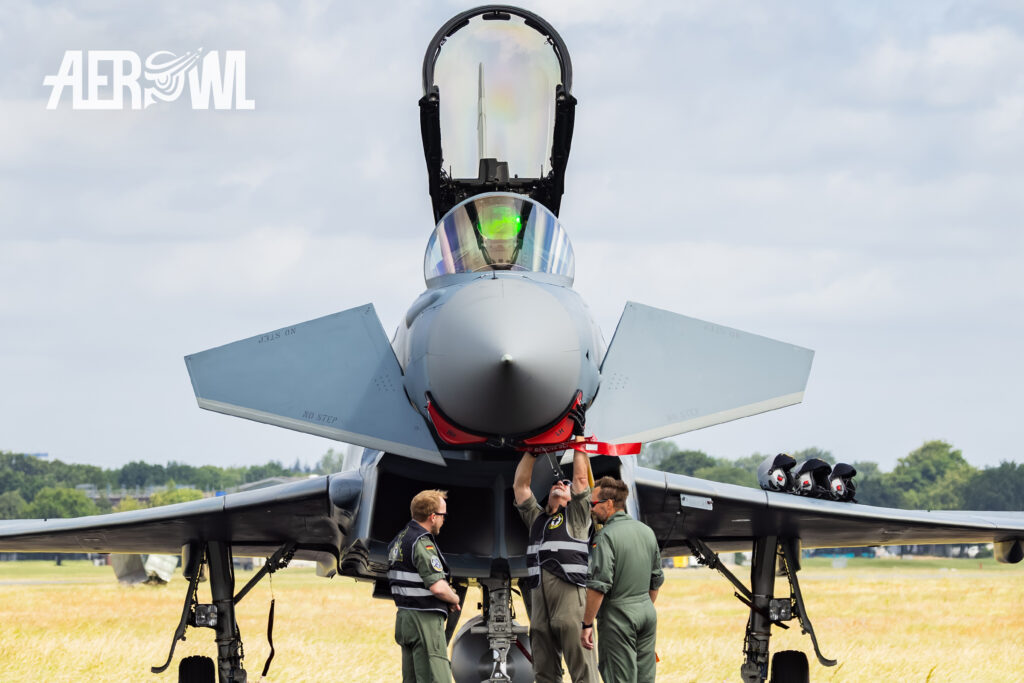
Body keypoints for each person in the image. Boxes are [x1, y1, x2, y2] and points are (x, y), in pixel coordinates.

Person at [513, 446, 600, 683]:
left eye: (566, 484)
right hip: (540, 608)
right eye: (556, 483)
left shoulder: (577, 517)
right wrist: (532, 452)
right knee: (543, 674)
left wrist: (579, 443)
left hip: (571, 603)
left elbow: (581, 480)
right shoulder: (536, 519)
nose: (561, 483)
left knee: (583, 673)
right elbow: (520, 487)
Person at [580, 477, 664, 683]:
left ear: (608, 504)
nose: (591, 509)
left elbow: (599, 585)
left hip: (618, 617)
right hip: (646, 612)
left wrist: (586, 624)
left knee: (619, 678)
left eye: (593, 504)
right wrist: (641, 606)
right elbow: (656, 580)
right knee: (645, 678)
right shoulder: (647, 531)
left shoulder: (605, 536)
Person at [388, 489, 461, 683]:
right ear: (432, 517)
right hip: (424, 621)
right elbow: (437, 587)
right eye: (443, 515)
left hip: (405, 619)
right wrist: (454, 598)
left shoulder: (399, 540)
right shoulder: (422, 543)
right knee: (435, 678)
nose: (444, 520)